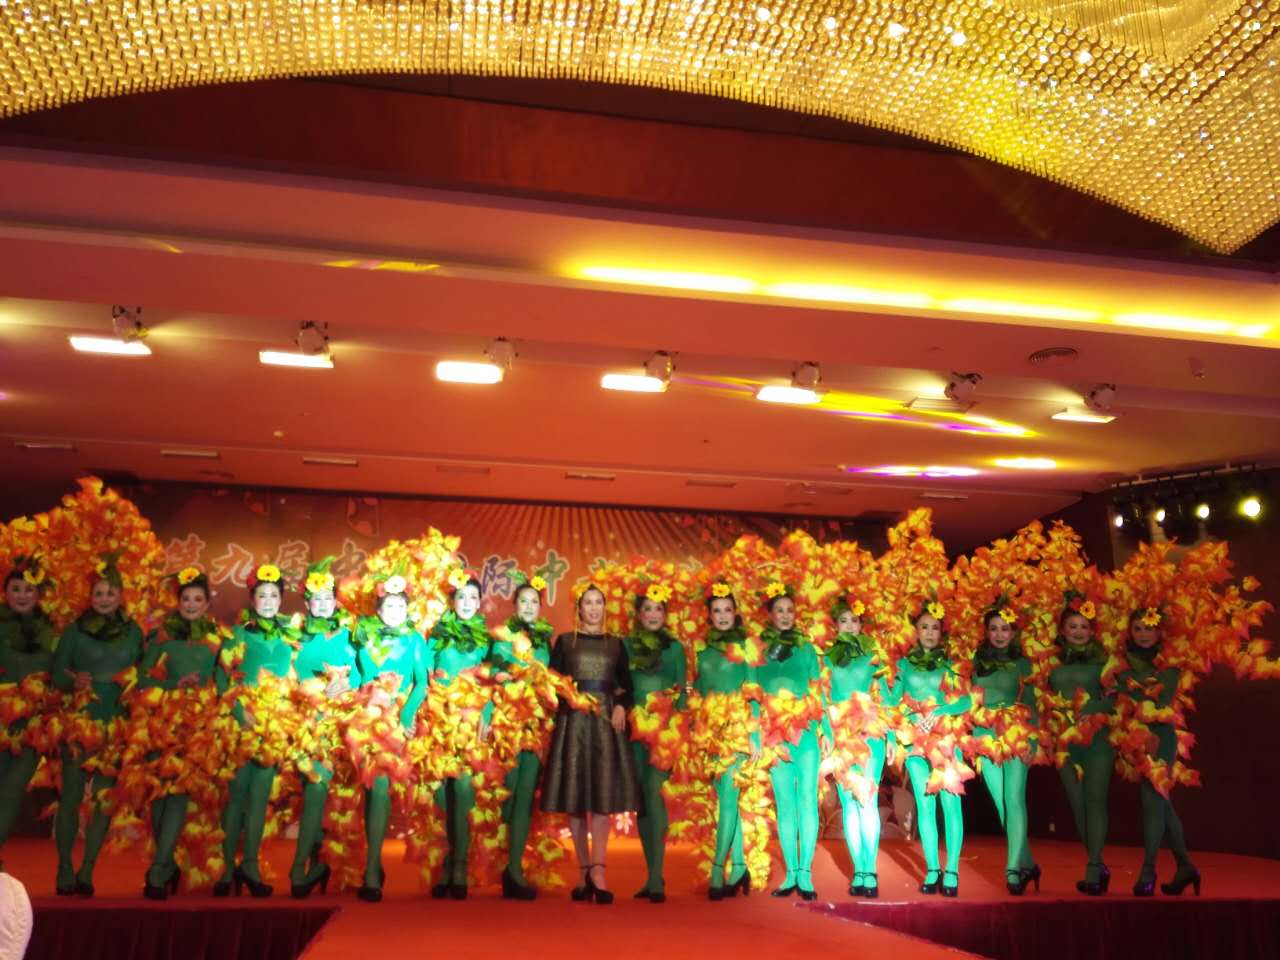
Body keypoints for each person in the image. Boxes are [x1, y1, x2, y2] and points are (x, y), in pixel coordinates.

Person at [541, 584, 640, 905]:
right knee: (575, 797)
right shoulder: (565, 642)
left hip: (605, 724)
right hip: (573, 724)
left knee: (601, 796)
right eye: (588, 603)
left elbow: (627, 686)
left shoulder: (615, 644)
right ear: (579, 608)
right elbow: (553, 683)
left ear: (604, 607)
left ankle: (599, 870)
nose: (594, 608)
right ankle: (583, 870)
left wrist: (621, 706)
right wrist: (568, 699)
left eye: (599, 602)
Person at [51, 553, 144, 896]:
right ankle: (64, 867)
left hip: (116, 722)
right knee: (71, 797)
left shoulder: (133, 632)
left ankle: (88, 869)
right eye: (98, 593)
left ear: (121, 596)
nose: (104, 599)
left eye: (110, 593)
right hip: (81, 719)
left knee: (104, 799)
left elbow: (145, 674)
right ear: (89, 596)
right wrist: (72, 681)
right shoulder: (75, 631)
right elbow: (57, 673)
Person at [132, 567, 226, 899]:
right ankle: (166, 864)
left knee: (179, 793)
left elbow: (224, 681)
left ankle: (158, 870)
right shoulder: (162, 636)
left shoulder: (217, 637)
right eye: (186, 598)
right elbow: (143, 678)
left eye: (198, 599)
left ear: (207, 604)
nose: (191, 604)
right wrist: (174, 684)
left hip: (197, 725)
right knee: (160, 797)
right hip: (162, 722)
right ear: (178, 601)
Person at [215, 563, 299, 898]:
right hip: (242, 722)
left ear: (281, 599)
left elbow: (301, 674)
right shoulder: (238, 634)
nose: (267, 601)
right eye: (261, 595)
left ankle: (250, 865)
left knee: (261, 797)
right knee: (236, 796)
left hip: (274, 724)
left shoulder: (290, 634)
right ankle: (226, 868)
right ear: (252, 599)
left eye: (273, 596)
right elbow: (221, 676)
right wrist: (239, 712)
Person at [887, 600, 973, 898]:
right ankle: (933, 868)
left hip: (945, 740)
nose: (929, 632)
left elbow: (967, 700)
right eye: (924, 627)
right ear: (916, 631)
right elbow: (894, 700)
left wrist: (940, 710)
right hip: (914, 741)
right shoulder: (904, 664)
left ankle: (952, 870)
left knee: (951, 804)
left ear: (941, 632)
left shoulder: (951, 664)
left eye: (934, 627)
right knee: (925, 806)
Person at [352, 572, 427, 902]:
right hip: (364, 719)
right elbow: (356, 676)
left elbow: (422, 682)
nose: (395, 611)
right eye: (389, 605)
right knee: (368, 792)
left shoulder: (414, 639)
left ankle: (372, 870)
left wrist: (406, 714)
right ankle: (370, 864)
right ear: (378, 609)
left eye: (401, 606)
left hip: (396, 722)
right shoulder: (363, 634)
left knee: (380, 787)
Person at [1114, 606, 1199, 897]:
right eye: (1137, 628)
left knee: (1153, 800)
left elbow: (1159, 702)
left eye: (1148, 628)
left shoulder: (1168, 665)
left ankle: (1148, 869)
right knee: (1162, 804)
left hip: (1160, 738)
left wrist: (1129, 693)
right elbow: (1120, 700)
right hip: (1136, 739)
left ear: (1159, 631)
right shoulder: (1123, 666)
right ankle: (1185, 866)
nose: (1143, 634)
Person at [289, 557, 360, 899]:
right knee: (315, 789)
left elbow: (360, 673)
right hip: (306, 723)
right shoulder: (295, 632)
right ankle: (299, 867)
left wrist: (346, 684)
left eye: (327, 598)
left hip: (341, 723)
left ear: (335, 601)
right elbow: (282, 672)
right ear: (307, 603)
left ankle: (320, 864)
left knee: (336, 797)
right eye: (315, 599)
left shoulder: (347, 632)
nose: (322, 604)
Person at [755, 580, 829, 901]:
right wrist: (756, 733)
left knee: (807, 800)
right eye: (779, 610)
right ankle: (790, 874)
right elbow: (753, 694)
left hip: (806, 734)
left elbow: (818, 691)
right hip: (775, 737)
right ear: (770, 614)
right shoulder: (758, 649)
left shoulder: (807, 648)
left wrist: (827, 731)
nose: (785, 615)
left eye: (790, 610)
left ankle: (805, 873)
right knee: (785, 803)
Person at [487, 571, 555, 900]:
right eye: (524, 601)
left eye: (534, 602)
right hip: (508, 724)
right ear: (514, 605)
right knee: (509, 795)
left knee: (527, 796)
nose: (529, 607)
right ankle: (498, 861)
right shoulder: (502, 635)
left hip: (536, 725)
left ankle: (514, 869)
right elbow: (493, 675)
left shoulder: (544, 640)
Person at [425, 568, 491, 900]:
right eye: (461, 597)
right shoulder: (436, 634)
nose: (467, 602)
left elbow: (491, 682)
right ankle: (444, 866)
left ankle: (461, 866)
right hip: (438, 722)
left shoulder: (486, 639)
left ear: (480, 603)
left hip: (470, 723)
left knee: (463, 791)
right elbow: (423, 676)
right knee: (440, 797)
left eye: (473, 598)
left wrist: (486, 716)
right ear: (452, 600)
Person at [692, 582, 758, 900]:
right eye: (716, 611)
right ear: (709, 615)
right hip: (711, 736)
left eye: (727, 610)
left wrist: (754, 736)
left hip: (738, 733)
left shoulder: (745, 648)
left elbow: (753, 694)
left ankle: (718, 869)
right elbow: (698, 691)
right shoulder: (702, 651)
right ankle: (740, 867)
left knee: (728, 803)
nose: (722, 616)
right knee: (725, 802)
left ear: (735, 613)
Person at [969, 601, 1040, 896]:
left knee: (1014, 800)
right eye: (994, 629)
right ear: (986, 632)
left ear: (1013, 632)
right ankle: (1029, 864)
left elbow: (1032, 705)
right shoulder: (975, 661)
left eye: (1005, 629)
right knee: (1002, 805)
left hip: (1015, 734)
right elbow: (969, 699)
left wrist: (1031, 742)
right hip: (984, 735)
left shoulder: (1023, 663)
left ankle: (1012, 870)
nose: (1000, 634)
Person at [1046, 592, 1115, 896]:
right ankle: (1098, 865)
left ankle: (1094, 867)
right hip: (1064, 744)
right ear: (1063, 631)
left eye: (1084, 626)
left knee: (1094, 802)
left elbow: (1118, 700)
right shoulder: (1051, 665)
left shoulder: (1104, 663)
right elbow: (1042, 701)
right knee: (1078, 806)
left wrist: (1095, 706)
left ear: (1092, 631)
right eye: (1072, 626)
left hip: (1097, 742)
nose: (1078, 631)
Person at [623, 582, 686, 903]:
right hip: (633, 730)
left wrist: (676, 728)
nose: (652, 614)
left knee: (654, 794)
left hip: (664, 732)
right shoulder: (626, 645)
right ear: (638, 614)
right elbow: (621, 686)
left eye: (658, 609)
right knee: (643, 802)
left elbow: (683, 692)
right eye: (647, 609)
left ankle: (656, 878)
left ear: (665, 614)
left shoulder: (674, 648)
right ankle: (651, 876)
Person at [823, 597, 890, 898]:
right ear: (835, 626)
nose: (849, 626)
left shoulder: (873, 655)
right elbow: (822, 699)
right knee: (849, 803)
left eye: (854, 621)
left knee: (867, 801)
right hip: (840, 736)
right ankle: (859, 870)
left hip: (869, 734)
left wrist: (891, 737)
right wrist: (826, 733)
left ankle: (871, 869)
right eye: (843, 621)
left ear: (862, 625)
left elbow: (885, 698)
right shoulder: (827, 658)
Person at [0, 556, 57, 865]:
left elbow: (61, 673)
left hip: (33, 725)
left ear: (39, 594)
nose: (22, 595)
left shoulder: (52, 631)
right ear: (5, 592)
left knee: (12, 791)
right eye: (15, 588)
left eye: (29, 589)